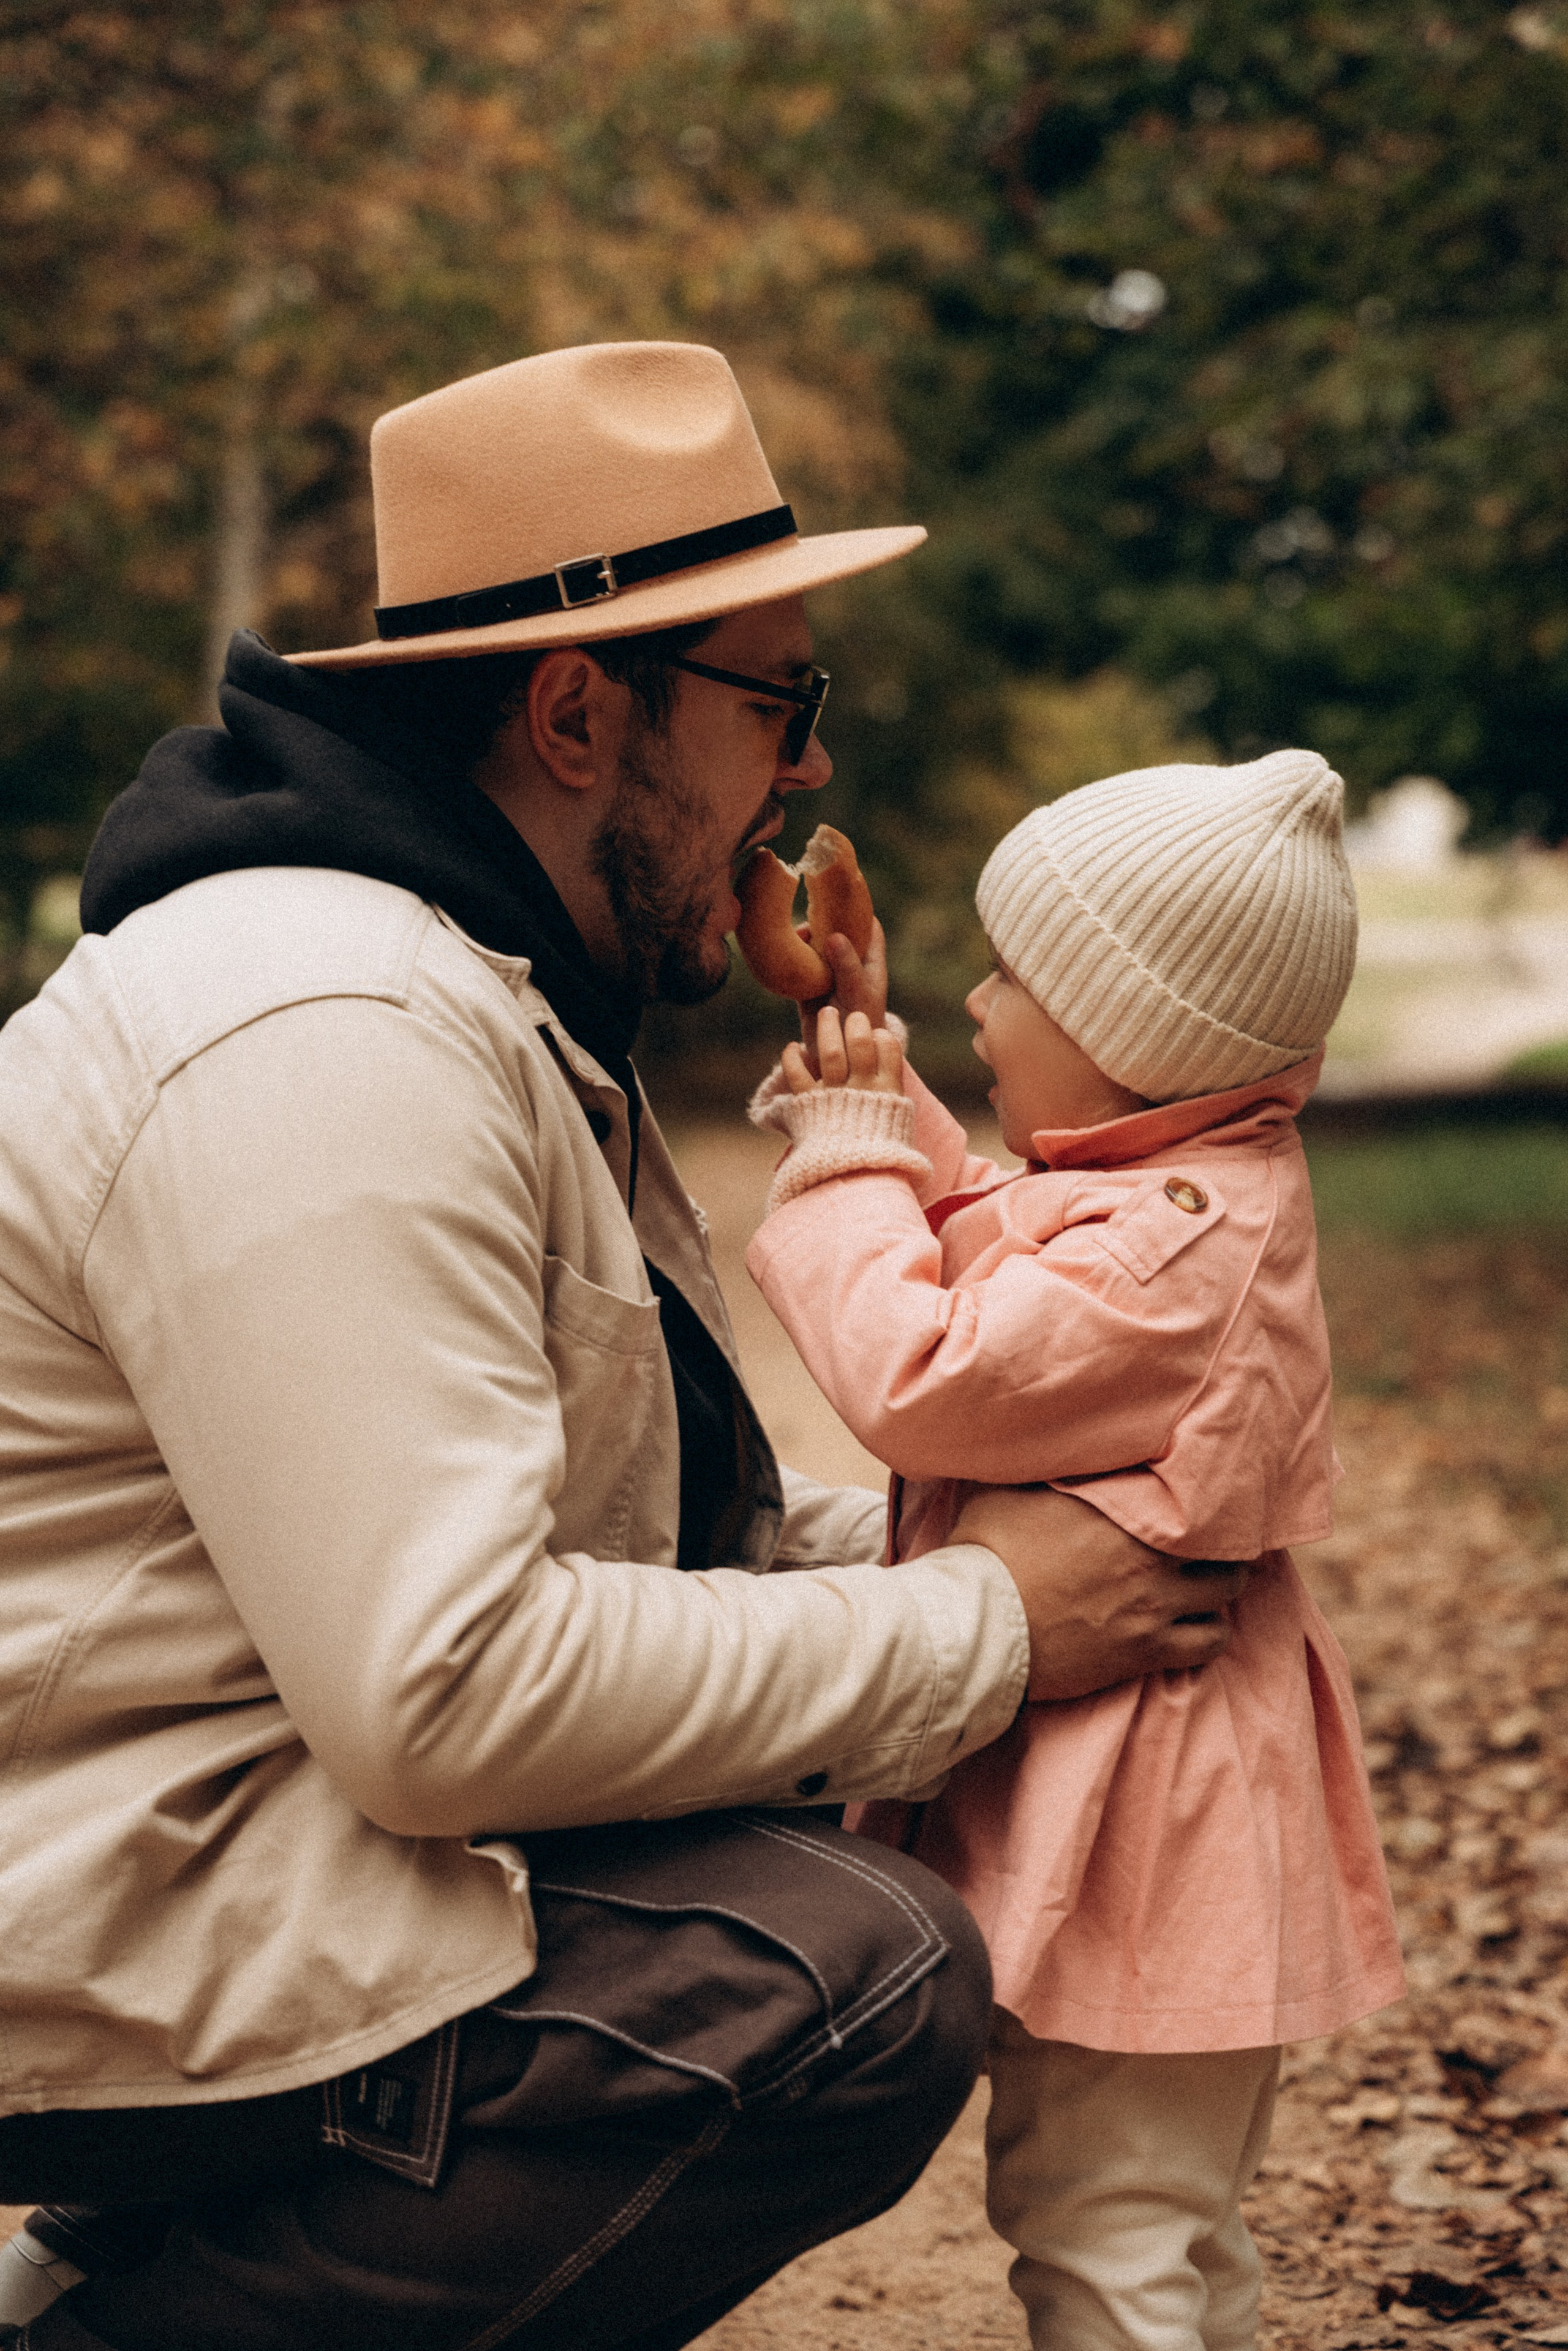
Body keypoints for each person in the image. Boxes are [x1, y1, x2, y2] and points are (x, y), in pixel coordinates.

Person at [0, 341, 1247, 2350]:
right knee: (838, 1971)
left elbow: (607, 1530)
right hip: (99, 1907)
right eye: (780, 699)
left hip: (227, 1817)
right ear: (580, 712)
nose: (811, 768)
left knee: (789, 1804)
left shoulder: (460, 984)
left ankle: (135, 2268)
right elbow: (453, 1689)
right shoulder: (328, 1036)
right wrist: (989, 1630)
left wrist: (1021, 1535)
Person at [745, 750, 1406, 2351]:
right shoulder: (1171, 1195)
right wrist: (876, 1081)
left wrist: (841, 1160)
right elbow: (996, 1224)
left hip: (1152, 1844)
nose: (980, 998)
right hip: (1155, 1826)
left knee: (1108, 2233)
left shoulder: (1176, 1250)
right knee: (1165, 2233)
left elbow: (929, 1375)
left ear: (1136, 1043)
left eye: (1015, 977)